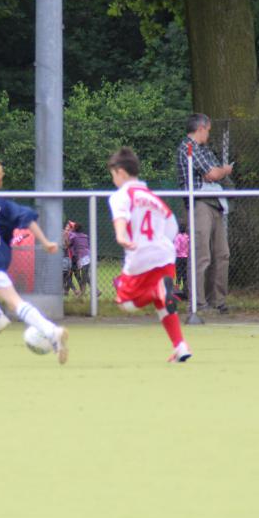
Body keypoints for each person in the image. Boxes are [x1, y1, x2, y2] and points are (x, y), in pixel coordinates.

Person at [0, 155, 69, 364]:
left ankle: (51, 331)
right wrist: (45, 242)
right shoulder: (3, 206)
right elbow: (28, 218)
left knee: (15, 303)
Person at [109, 147, 192, 363]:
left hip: (140, 256)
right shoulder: (154, 198)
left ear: (120, 172)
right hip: (165, 255)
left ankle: (157, 290)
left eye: (113, 175)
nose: (113, 179)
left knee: (124, 302)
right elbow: (172, 228)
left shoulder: (122, 195)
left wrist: (121, 236)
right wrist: (158, 245)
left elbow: (120, 217)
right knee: (162, 303)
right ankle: (180, 346)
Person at [176, 113, 234, 314]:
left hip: (215, 203)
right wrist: (223, 171)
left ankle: (217, 301)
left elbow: (214, 172)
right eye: (208, 130)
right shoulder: (187, 147)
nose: (208, 134)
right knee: (201, 254)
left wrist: (218, 172)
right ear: (201, 128)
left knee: (222, 253)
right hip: (199, 203)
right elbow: (213, 173)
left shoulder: (204, 150)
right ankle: (198, 303)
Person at [66, 221, 92, 296]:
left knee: (83, 276)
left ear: (74, 229)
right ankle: (89, 291)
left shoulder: (73, 236)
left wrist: (67, 235)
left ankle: (83, 292)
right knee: (84, 275)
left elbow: (68, 245)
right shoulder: (85, 236)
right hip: (88, 255)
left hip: (81, 257)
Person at [173, 221, 189, 296]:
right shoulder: (187, 237)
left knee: (178, 274)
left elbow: (176, 248)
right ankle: (184, 289)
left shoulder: (178, 237)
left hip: (179, 257)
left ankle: (178, 290)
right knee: (184, 274)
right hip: (185, 257)